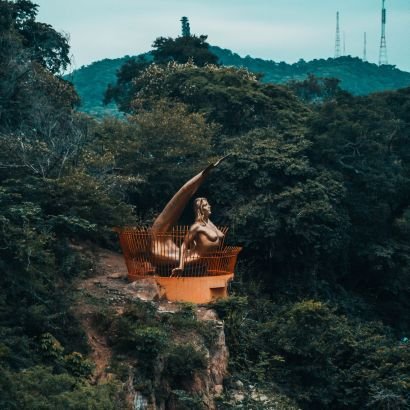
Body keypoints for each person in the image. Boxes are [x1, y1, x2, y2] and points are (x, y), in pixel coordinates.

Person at [171, 197, 225, 276]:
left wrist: (207, 220)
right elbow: (184, 245)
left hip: (207, 261)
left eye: (208, 204)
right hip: (196, 259)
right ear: (200, 210)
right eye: (206, 205)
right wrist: (181, 266)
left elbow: (221, 235)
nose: (209, 206)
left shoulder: (209, 223)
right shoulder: (196, 226)